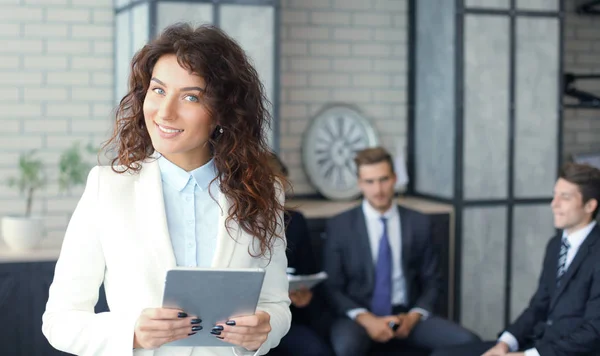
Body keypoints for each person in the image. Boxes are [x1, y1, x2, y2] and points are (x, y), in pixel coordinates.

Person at [42, 23, 291, 356]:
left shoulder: (262, 192)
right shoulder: (108, 188)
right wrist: (132, 333)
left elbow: (276, 303)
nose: (165, 112)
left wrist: (265, 328)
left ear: (223, 112)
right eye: (158, 90)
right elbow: (60, 320)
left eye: (191, 96)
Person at [323, 147, 480, 355]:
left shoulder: (418, 223)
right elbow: (332, 287)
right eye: (369, 182)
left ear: (395, 178)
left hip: (406, 316)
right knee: (346, 347)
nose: (378, 189)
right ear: (360, 184)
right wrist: (367, 320)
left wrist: (413, 317)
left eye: (384, 179)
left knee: (468, 342)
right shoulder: (340, 225)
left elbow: (433, 281)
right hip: (360, 317)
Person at [432, 162, 600, 356]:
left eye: (565, 197)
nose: (554, 204)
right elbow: (538, 306)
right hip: (536, 344)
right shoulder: (555, 245)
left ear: (590, 205)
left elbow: (593, 331)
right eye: (555, 194)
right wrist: (505, 343)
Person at [266, 153, 333, 356]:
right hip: (248, 320)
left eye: (282, 188)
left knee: (316, 350)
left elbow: (307, 272)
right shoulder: (236, 222)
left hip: (288, 319)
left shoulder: (294, 221)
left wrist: (304, 295)